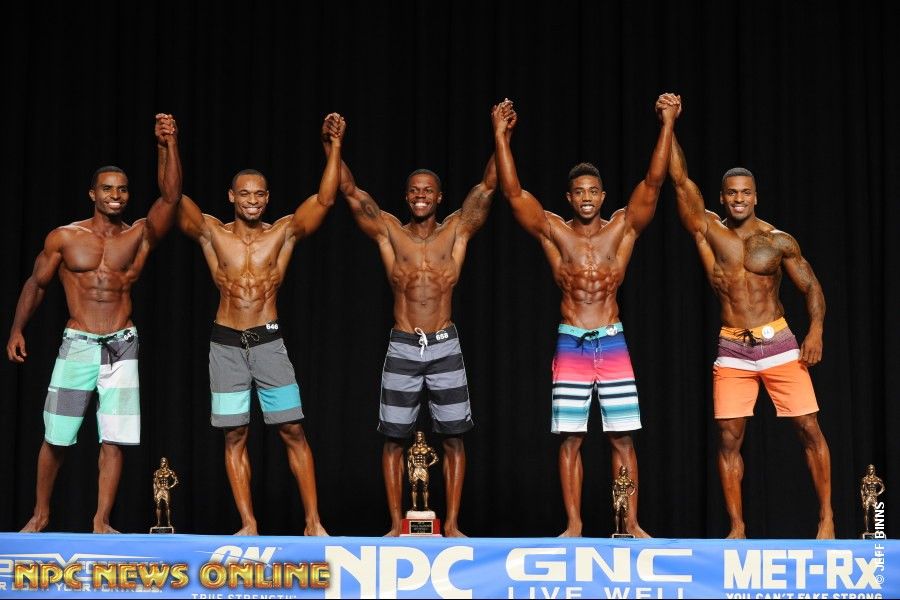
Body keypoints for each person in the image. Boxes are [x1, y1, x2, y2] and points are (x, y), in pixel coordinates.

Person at [493, 94, 680, 537]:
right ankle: (574, 525)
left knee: (622, 437)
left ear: (603, 195)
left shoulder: (622, 229)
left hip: (611, 339)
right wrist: (501, 137)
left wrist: (667, 125)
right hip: (572, 339)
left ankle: (630, 523)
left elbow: (654, 183)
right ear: (569, 197)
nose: (587, 198)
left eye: (593, 191)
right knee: (571, 437)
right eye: (579, 192)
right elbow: (513, 194)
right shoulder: (555, 232)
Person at [335, 102, 514, 537]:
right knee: (394, 438)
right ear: (406, 196)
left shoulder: (457, 230)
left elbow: (489, 186)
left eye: (428, 191)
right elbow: (351, 192)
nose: (420, 195)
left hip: (444, 343)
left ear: (439, 197)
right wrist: (334, 146)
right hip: (402, 343)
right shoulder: (390, 232)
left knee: (454, 437)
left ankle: (451, 524)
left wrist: (500, 134)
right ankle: (395, 525)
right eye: (414, 190)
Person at [6, 114, 182, 533]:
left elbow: (171, 198)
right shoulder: (65, 237)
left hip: (122, 344)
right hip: (79, 343)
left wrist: (168, 144)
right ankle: (41, 514)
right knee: (57, 435)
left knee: (114, 437)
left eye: (122, 189)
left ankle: (101, 519)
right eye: (107, 189)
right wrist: (16, 329)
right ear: (93, 193)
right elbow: (36, 283)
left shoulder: (138, 234)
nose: (116, 196)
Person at [667, 111, 835, 539]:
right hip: (733, 348)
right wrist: (669, 125)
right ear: (722, 198)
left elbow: (811, 287)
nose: (739, 199)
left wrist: (815, 330)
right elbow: (681, 181)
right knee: (728, 438)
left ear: (756, 196)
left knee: (809, 428)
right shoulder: (708, 231)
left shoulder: (777, 240)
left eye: (745, 192)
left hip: (778, 342)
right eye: (732, 193)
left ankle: (826, 518)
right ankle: (737, 528)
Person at [176, 113, 343, 536]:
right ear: (232, 196)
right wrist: (168, 146)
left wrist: (335, 146)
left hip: (268, 342)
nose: (252, 200)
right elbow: (172, 197)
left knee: (293, 429)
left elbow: (325, 201)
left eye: (259, 194)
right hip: (226, 344)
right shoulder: (212, 233)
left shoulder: (282, 233)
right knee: (234, 435)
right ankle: (248, 523)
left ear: (267, 198)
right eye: (244, 194)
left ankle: (313, 522)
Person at [407, 431, 439, 511]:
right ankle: (414, 506)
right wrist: (409, 474)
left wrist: (428, 465)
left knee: (425, 487)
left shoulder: (428, 448)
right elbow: (409, 462)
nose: (419, 437)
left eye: (420, 436)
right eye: (417, 436)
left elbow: (436, 458)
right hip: (415, 469)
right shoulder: (411, 449)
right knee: (414, 487)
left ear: (423, 437)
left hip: (423, 469)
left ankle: (426, 506)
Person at [153, 457, 179, 529]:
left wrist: (170, 487)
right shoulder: (157, 472)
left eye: (164, 462)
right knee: (158, 505)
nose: (162, 463)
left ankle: (169, 523)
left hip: (165, 490)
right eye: (161, 462)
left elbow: (176, 481)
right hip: (159, 490)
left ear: (166, 463)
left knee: (167, 505)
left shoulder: (170, 472)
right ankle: (158, 523)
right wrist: (155, 494)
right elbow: (154, 483)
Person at [860, 464, 884, 534]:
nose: (871, 470)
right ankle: (867, 530)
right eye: (870, 469)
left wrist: (878, 493)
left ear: (874, 470)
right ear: (867, 470)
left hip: (874, 498)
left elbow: (883, 488)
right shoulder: (864, 479)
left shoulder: (877, 479)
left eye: (872, 469)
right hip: (867, 497)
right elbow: (862, 490)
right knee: (866, 513)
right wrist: (863, 500)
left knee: (875, 513)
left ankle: (877, 530)